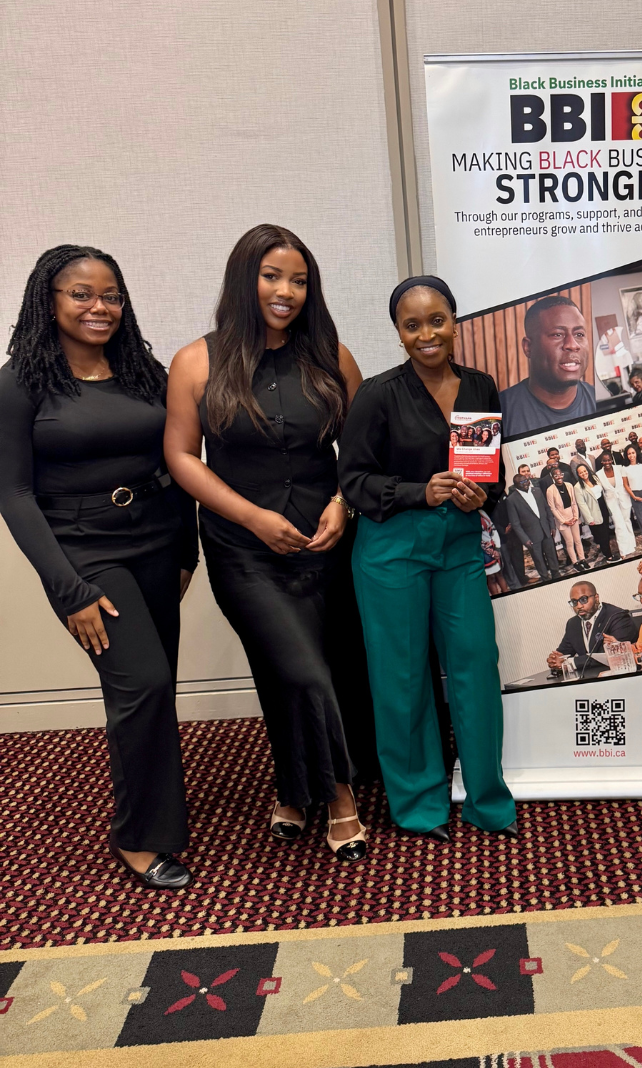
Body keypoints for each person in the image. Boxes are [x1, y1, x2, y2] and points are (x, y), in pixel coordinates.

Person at [166, 224, 367, 863]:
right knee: (298, 668)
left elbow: (360, 449)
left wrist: (343, 503)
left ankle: (291, 789)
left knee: (306, 669)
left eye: (299, 280)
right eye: (271, 276)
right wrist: (252, 518)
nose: (286, 291)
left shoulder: (331, 354)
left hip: (323, 540)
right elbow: (181, 456)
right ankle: (338, 797)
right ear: (243, 279)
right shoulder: (196, 361)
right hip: (243, 548)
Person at [0, 245, 198, 889]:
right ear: (47, 300)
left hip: (157, 541)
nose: (99, 306)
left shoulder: (143, 369)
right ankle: (139, 839)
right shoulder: (18, 383)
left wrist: (186, 551)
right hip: (86, 552)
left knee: (157, 683)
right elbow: (13, 494)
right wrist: (68, 589)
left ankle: (160, 813)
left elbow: (178, 461)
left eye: (110, 294)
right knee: (140, 682)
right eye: (80, 294)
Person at [337, 275, 516, 840]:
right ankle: (418, 806)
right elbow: (354, 483)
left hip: (460, 547)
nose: (426, 333)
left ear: (454, 322)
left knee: (476, 670)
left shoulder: (481, 388)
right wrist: (422, 491)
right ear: (398, 332)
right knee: (403, 679)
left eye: (436, 320)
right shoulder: (377, 395)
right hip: (391, 555)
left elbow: (495, 476)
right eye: (411, 325)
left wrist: (479, 493)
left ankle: (488, 799)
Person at [500, 295, 595, 436]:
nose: (572, 345)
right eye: (558, 335)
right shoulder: (496, 410)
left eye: (579, 334)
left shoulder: (598, 400)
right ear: (528, 347)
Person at [547, 580, 640, 672]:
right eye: (574, 602)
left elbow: (612, 654)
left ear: (596, 598)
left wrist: (570, 663)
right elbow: (563, 653)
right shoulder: (573, 624)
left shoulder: (617, 617)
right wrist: (555, 661)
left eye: (583, 599)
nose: (579, 606)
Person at [505, 468, 560, 582]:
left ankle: (556, 574)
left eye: (526, 481)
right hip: (531, 536)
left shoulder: (537, 491)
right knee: (538, 559)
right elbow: (515, 524)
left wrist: (552, 526)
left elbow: (547, 509)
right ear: (515, 485)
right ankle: (545, 578)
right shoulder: (511, 500)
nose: (526, 483)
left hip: (546, 530)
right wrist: (525, 539)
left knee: (552, 555)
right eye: (522, 482)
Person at [546, 467, 587, 572]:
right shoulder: (550, 490)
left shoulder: (569, 485)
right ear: (552, 477)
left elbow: (574, 503)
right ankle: (575, 562)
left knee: (578, 540)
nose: (559, 477)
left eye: (560, 474)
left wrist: (575, 517)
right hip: (562, 521)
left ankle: (582, 559)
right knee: (570, 542)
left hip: (573, 518)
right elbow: (553, 509)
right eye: (556, 475)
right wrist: (564, 521)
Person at [597, 451, 636, 558]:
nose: (607, 462)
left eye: (609, 460)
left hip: (624, 498)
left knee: (627, 521)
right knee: (619, 525)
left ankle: (631, 545)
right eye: (605, 460)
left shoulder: (620, 468)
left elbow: (627, 482)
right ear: (601, 462)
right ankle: (623, 550)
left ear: (612, 460)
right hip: (611, 502)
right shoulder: (598, 474)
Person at [574, 462, 616, 562]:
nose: (583, 473)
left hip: (603, 507)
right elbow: (582, 505)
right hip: (593, 512)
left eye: (585, 471)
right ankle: (608, 555)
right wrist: (589, 519)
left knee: (606, 531)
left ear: (587, 470)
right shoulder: (578, 487)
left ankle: (604, 549)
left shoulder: (595, 478)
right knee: (603, 534)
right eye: (581, 473)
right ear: (578, 475)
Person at [480, 509, 510, 595]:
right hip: (482, 551)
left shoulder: (482, 512)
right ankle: (498, 598)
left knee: (499, 574)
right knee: (491, 577)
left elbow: (493, 530)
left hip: (493, 546)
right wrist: (489, 550)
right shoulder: (468, 516)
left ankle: (507, 594)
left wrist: (496, 548)